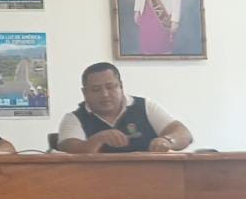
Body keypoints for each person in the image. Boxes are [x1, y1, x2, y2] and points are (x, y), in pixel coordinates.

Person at [57, 62, 192, 153]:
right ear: (85, 93)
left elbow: (183, 133)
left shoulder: (145, 106)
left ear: (121, 86)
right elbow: (69, 149)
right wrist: (98, 139)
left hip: (151, 178)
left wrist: (167, 141)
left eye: (110, 87)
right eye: (96, 89)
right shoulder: (74, 118)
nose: (105, 94)